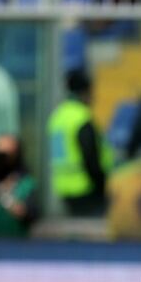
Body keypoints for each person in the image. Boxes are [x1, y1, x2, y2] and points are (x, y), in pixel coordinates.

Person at [48, 69, 113, 216]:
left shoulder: (58, 116)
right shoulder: (81, 118)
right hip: (85, 188)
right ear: (85, 92)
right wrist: (102, 186)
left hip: (63, 186)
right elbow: (91, 157)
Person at [0, 134, 39, 238]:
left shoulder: (26, 183)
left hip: (14, 243)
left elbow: (31, 214)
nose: (2, 160)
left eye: (8, 154)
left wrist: (5, 197)